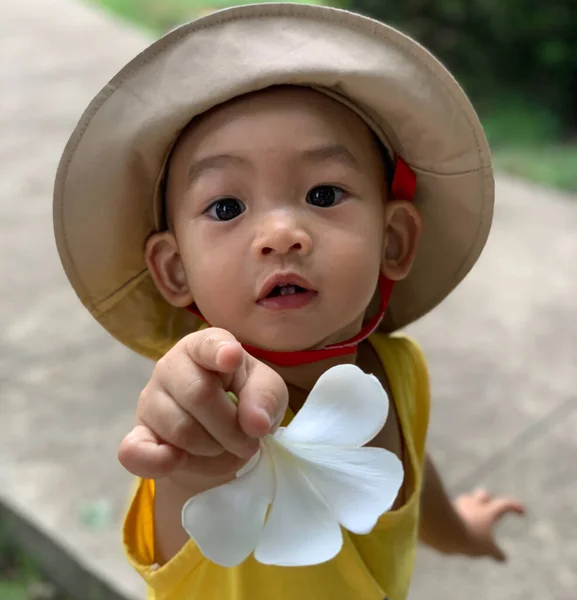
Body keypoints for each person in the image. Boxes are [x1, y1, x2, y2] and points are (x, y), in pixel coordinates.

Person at [53, 4, 525, 599]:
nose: (280, 233)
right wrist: (191, 442)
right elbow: (192, 486)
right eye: (226, 208)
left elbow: (403, 478)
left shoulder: (401, 369)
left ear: (394, 240)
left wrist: (458, 531)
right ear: (175, 270)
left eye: (324, 193)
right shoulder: (211, 430)